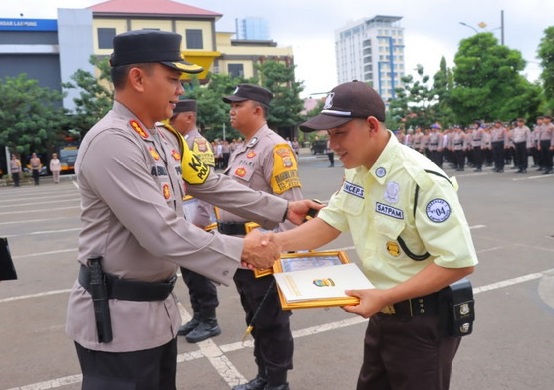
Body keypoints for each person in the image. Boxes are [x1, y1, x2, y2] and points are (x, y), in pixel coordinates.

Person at [64, 30, 320, 390]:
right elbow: (161, 231)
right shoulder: (112, 142)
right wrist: (240, 249)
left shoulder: (163, 137)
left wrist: (283, 208)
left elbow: (208, 183)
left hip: (155, 314)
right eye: (173, 79)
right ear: (137, 78)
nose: (181, 91)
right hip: (117, 321)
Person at [272, 81, 478, 390]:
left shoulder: (420, 179)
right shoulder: (358, 170)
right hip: (382, 315)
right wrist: (274, 244)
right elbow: (331, 220)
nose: (333, 145)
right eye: (329, 135)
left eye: (339, 133)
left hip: (422, 322)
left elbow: (459, 262)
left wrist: (385, 297)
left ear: (371, 126)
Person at [221, 84, 303, 390]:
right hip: (242, 251)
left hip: (264, 253)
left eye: (237, 104)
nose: (231, 109)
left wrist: (279, 256)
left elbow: (292, 207)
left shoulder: (274, 147)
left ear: (257, 110)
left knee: (272, 322)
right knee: (255, 317)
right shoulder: (243, 148)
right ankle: (264, 376)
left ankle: (278, 382)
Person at [163, 99, 222, 343]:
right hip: (185, 219)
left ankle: (210, 320)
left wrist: (199, 221)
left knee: (200, 273)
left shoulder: (197, 144)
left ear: (187, 118)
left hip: (198, 219)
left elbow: (207, 188)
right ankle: (199, 315)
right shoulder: (181, 143)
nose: (169, 123)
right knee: (189, 273)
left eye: (172, 119)